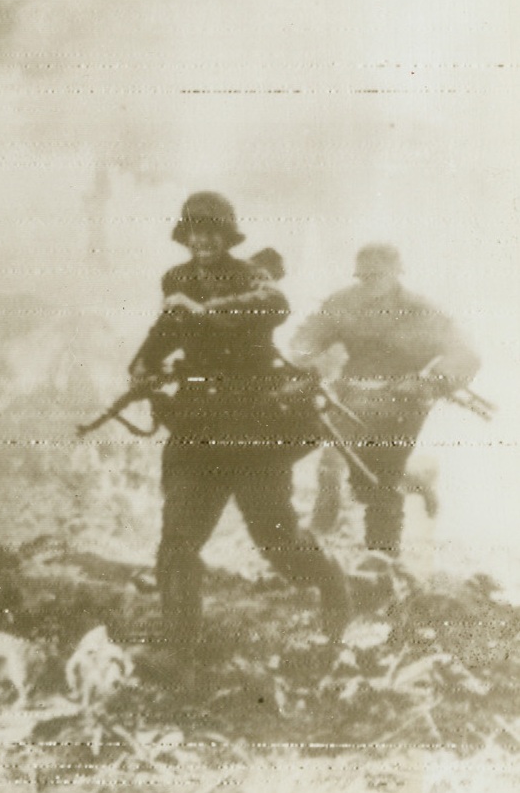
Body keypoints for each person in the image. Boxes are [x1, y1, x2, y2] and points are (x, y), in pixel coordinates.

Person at [129, 192, 351, 662]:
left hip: (255, 428)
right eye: (194, 230)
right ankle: (180, 646)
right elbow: (168, 327)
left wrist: (206, 311)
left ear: (226, 235)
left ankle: (331, 579)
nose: (202, 239)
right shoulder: (176, 279)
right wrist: (144, 364)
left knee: (277, 542)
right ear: (185, 235)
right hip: (197, 427)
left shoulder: (250, 275)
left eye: (212, 231)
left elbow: (273, 304)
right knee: (179, 540)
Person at [291, 243, 480, 555]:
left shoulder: (422, 311)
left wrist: (431, 381)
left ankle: (382, 559)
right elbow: (310, 334)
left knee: (381, 482)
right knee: (333, 463)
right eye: (364, 277)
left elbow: (465, 353)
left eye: (377, 276)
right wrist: (303, 357)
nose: (370, 284)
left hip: (402, 405)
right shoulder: (344, 302)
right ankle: (319, 534)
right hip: (351, 396)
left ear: (396, 272)